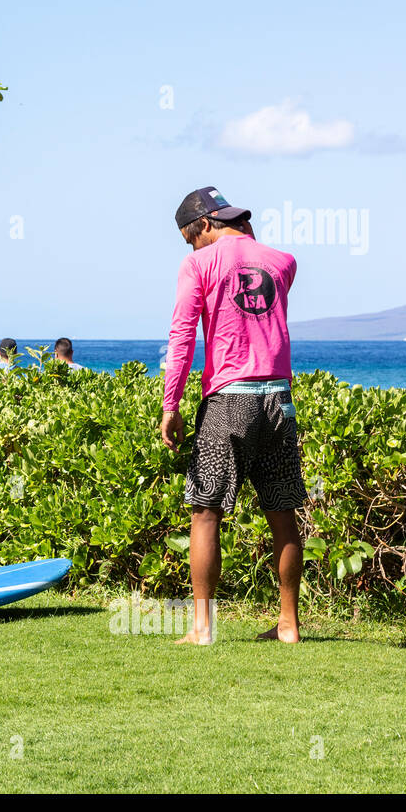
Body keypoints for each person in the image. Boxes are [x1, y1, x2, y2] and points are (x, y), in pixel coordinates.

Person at [160, 186, 305, 645]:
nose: (191, 248)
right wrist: (246, 236)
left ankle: (202, 628)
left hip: (231, 399)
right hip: (279, 400)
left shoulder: (198, 264)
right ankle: (289, 626)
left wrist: (171, 405)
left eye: (190, 238)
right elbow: (252, 261)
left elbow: (182, 337)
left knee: (205, 513)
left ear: (203, 225)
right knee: (282, 512)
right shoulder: (283, 261)